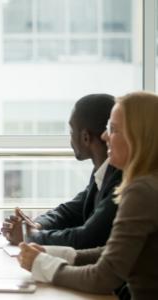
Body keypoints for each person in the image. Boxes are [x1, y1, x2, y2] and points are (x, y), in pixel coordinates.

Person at [17, 91, 158, 299]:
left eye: (113, 129)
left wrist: (42, 264)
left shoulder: (141, 191)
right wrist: (51, 253)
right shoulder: (148, 182)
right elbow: (112, 253)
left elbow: (103, 277)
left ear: (137, 136)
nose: (104, 136)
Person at [1, 94, 122, 249]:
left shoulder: (120, 179)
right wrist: (36, 225)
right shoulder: (103, 171)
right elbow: (71, 211)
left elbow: (87, 237)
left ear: (85, 137)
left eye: (71, 131)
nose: (70, 138)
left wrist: (31, 236)